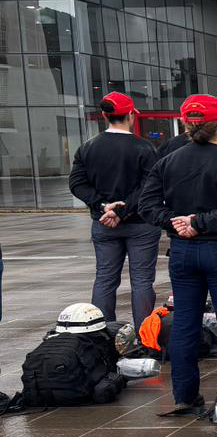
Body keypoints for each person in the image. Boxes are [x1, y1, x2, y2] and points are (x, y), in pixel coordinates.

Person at [137, 94, 217, 414]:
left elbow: (146, 206)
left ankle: (185, 395)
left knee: (185, 323)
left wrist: (178, 224)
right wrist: (199, 223)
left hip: (184, 252)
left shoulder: (167, 162)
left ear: (186, 125)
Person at [68, 91, 160, 328]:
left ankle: (101, 333)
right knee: (141, 282)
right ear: (130, 115)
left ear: (104, 115)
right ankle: (144, 335)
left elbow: (77, 183)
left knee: (105, 280)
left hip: (104, 223)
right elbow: (150, 186)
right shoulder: (145, 148)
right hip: (140, 223)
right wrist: (123, 210)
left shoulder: (87, 148)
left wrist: (103, 207)